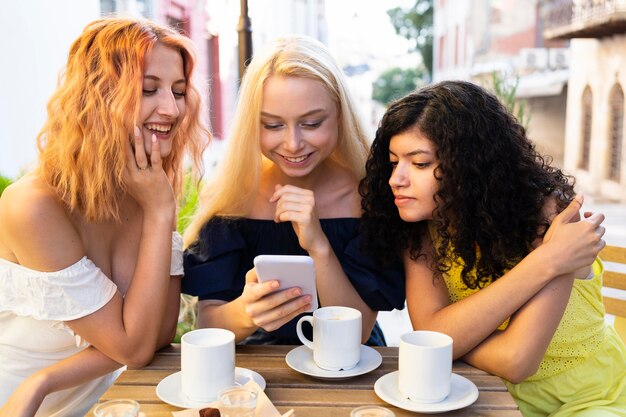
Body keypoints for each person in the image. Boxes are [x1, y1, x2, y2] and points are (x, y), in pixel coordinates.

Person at [360, 80, 625, 416]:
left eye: (420, 163)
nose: (397, 178)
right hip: (481, 393)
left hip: (590, 400)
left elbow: (515, 360)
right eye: (394, 161)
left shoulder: (550, 216)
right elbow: (432, 334)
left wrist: (455, 339)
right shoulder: (423, 227)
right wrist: (547, 261)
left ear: (469, 166)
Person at [0, 17, 209, 417]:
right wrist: (36, 387)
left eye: (178, 91)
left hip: (105, 405)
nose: (171, 108)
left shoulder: (143, 188)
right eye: (149, 90)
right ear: (98, 96)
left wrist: (45, 380)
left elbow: (156, 334)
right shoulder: (34, 205)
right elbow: (134, 346)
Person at [182, 35, 404, 345]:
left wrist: (318, 245)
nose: (293, 144)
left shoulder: (368, 197)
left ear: (340, 115)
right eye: (272, 125)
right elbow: (207, 324)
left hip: (350, 371)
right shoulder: (232, 198)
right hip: (257, 378)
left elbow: (358, 333)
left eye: (312, 123)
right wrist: (247, 312)